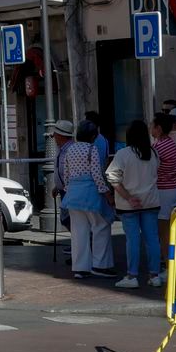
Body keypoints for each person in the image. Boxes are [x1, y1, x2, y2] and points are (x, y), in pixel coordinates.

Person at [52, 120, 112, 279]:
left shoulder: (70, 150)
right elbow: (97, 175)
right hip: (90, 194)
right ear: (92, 136)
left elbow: (66, 174)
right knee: (101, 226)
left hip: (73, 195)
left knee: (79, 232)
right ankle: (100, 265)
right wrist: (107, 194)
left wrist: (65, 189)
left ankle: (80, 267)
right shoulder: (92, 149)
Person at [107, 119, 162, 289]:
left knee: (133, 240)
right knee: (152, 239)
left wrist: (128, 196)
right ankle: (155, 274)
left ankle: (132, 276)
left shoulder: (123, 154)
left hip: (128, 204)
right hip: (151, 202)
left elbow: (112, 177)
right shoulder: (153, 153)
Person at [152, 113, 176, 224]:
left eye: (152, 125)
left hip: (163, 191)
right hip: (174, 188)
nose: (150, 128)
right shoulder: (170, 143)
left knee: (163, 228)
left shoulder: (158, 147)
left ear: (158, 128)